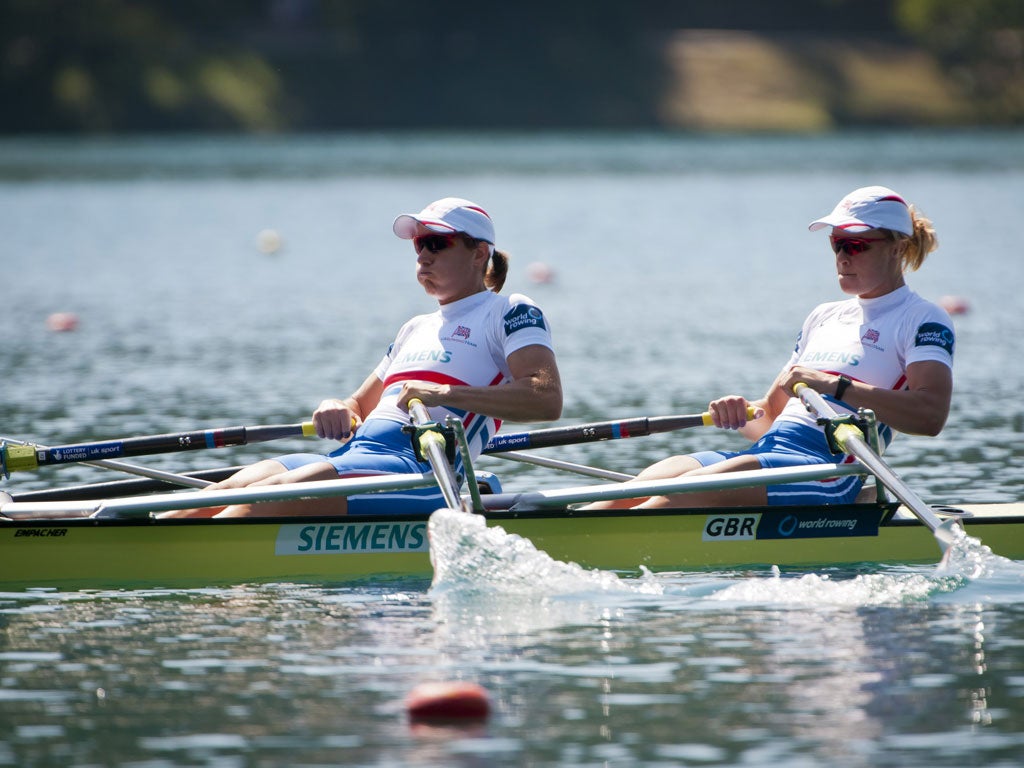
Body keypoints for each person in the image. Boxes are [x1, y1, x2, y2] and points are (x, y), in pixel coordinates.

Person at [168, 197, 562, 518]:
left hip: (423, 472)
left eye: (437, 243)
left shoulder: (508, 310)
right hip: (355, 455)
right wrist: (334, 407)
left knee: (260, 501)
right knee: (219, 493)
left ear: (479, 254)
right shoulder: (414, 327)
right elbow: (359, 405)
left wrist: (442, 394)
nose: (423, 255)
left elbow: (545, 398)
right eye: (418, 244)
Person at [589, 185, 954, 510]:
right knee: (625, 495)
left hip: (828, 469)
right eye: (836, 243)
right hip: (770, 452)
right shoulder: (823, 316)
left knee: (677, 495)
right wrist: (737, 412)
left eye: (856, 245)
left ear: (898, 248)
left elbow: (930, 416)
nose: (843, 256)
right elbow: (768, 417)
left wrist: (835, 386)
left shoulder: (922, 319)